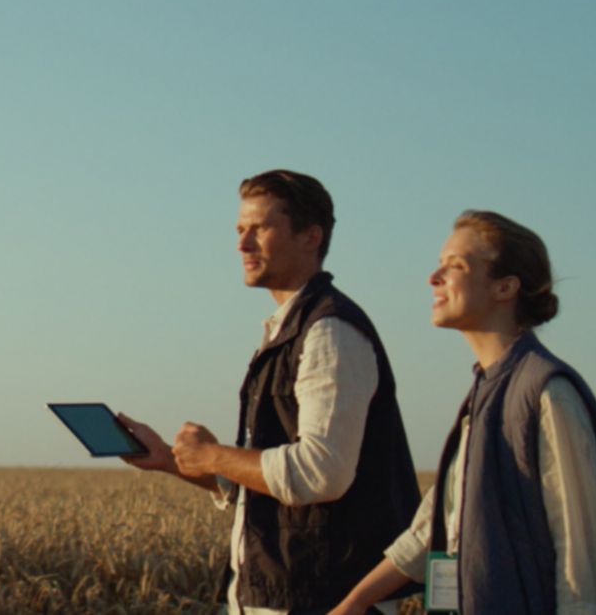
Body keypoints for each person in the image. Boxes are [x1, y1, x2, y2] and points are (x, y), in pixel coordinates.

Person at [117, 169, 422, 615]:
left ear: (310, 237)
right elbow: (276, 485)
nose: (242, 244)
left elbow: (321, 472)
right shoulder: (291, 329)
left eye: (260, 229)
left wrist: (214, 454)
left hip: (323, 599)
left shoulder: (330, 331)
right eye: (240, 230)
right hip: (281, 596)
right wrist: (170, 459)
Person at [328, 211, 596, 615]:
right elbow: (432, 529)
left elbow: (582, 559)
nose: (434, 278)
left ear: (505, 287)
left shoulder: (547, 394)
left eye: (456, 266)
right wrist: (355, 603)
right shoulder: (484, 393)